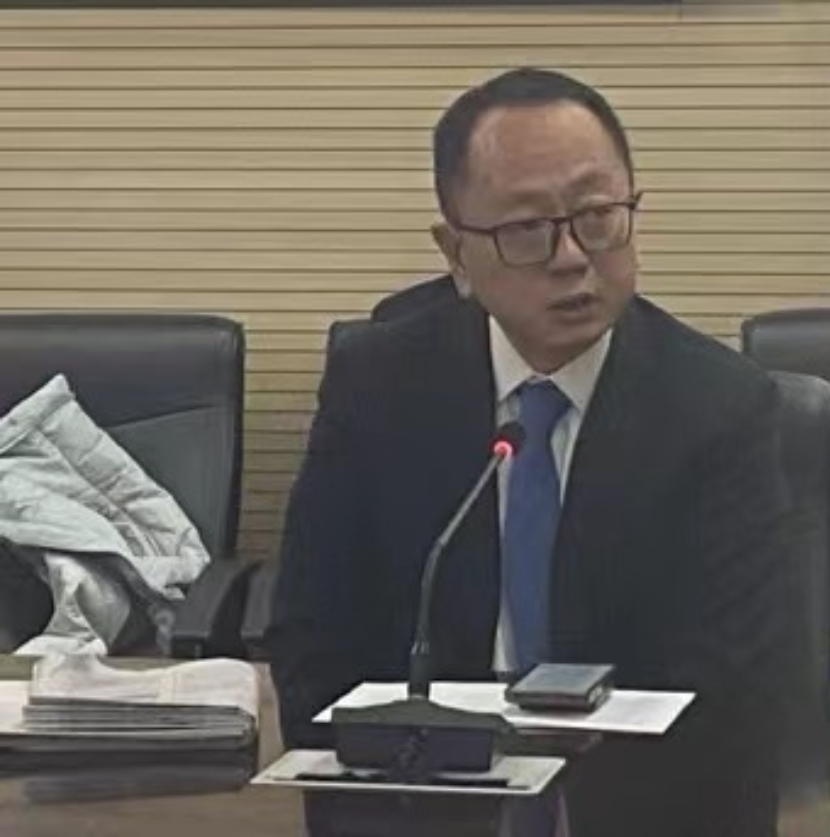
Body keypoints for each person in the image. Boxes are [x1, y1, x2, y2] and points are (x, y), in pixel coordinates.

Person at [268, 68, 790, 837]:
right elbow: (313, 640)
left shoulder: (719, 410)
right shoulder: (375, 387)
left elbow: (727, 688)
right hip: (421, 804)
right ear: (455, 252)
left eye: (598, 215)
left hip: (631, 812)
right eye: (525, 228)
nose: (572, 256)